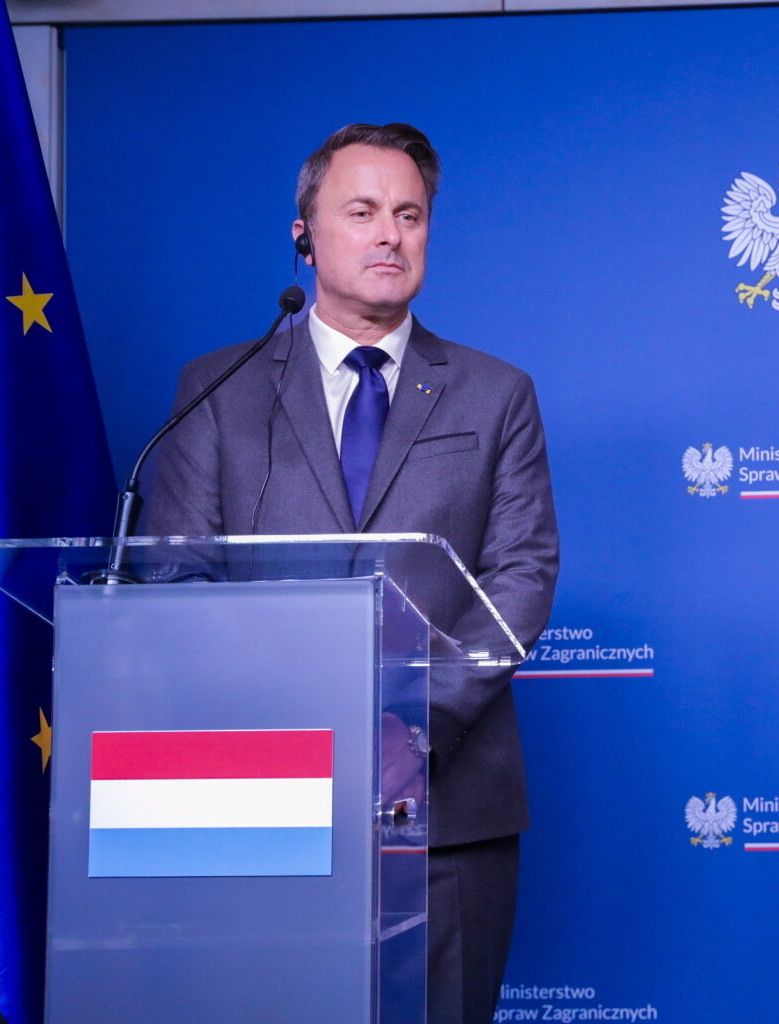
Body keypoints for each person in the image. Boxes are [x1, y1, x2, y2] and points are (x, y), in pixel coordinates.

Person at [148, 123, 559, 1024]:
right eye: (363, 211)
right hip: (262, 796)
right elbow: (174, 578)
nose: (391, 235)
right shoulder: (219, 389)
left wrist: (415, 723)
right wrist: (292, 727)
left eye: (410, 215)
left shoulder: (497, 394)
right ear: (305, 233)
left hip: (449, 809)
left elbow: (521, 574)